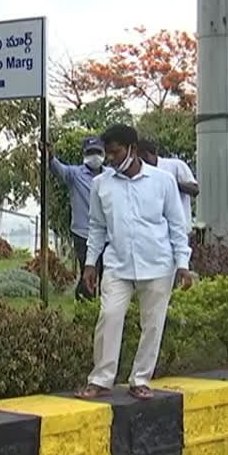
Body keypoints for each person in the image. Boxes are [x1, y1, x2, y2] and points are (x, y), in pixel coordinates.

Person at [76, 124, 193, 401]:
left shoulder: (163, 181)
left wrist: (182, 263)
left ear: (132, 149)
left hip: (158, 265)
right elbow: (96, 227)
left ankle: (140, 379)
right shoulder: (100, 184)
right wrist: (90, 264)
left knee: (152, 324)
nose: (110, 159)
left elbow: (178, 225)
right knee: (109, 317)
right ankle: (101, 380)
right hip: (117, 265)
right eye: (108, 154)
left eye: (115, 153)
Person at [45, 136, 107, 300]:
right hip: (83, 233)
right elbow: (58, 169)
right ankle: (84, 309)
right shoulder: (75, 174)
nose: (95, 156)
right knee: (88, 272)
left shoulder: (111, 175)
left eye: (98, 152)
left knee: (107, 276)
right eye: (91, 152)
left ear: (104, 153)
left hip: (108, 235)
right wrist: (50, 156)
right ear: (84, 154)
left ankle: (101, 311)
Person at [138, 139, 199, 234]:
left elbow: (195, 190)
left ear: (145, 155)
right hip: (155, 232)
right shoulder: (141, 174)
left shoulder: (175, 165)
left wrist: (171, 184)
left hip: (180, 230)